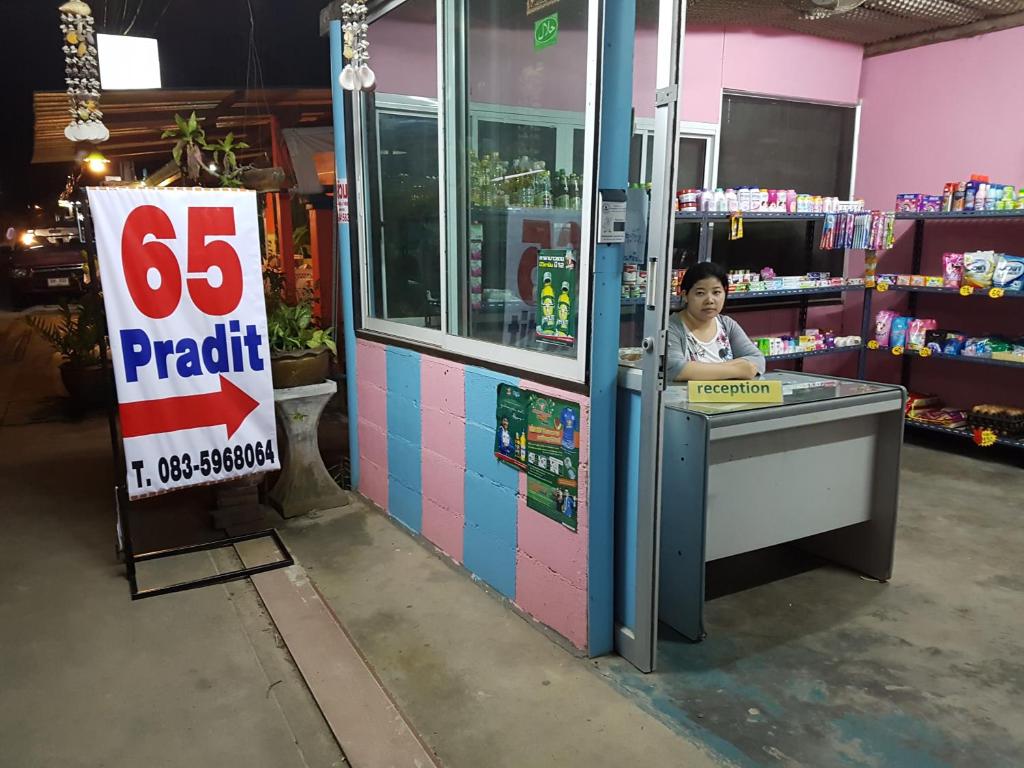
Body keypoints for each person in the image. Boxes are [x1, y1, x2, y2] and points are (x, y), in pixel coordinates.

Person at [665, 262, 766, 382]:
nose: (710, 300)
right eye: (700, 293)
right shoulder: (671, 327)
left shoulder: (727, 325)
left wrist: (698, 370)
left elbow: (758, 360)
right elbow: (675, 369)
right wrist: (739, 370)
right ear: (685, 295)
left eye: (716, 292)